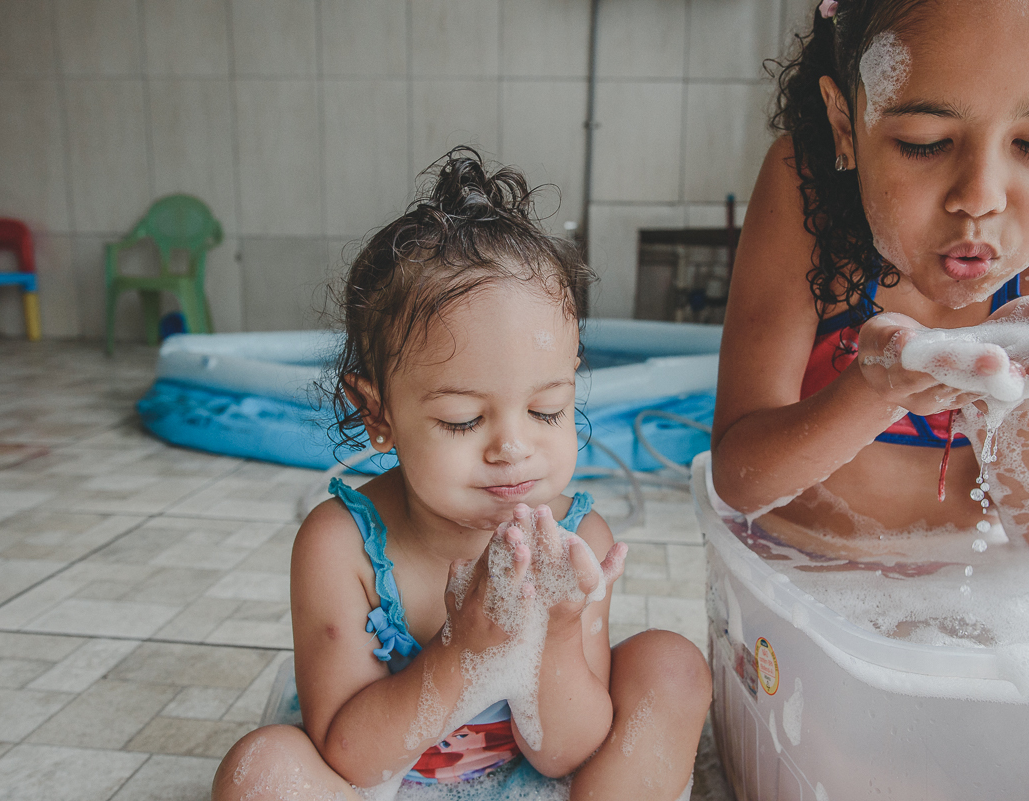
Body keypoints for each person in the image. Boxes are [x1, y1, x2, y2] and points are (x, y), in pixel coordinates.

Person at [212, 149, 710, 800]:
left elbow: (565, 750)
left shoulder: (574, 536)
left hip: (536, 784)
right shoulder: (342, 546)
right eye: (461, 420)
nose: (513, 446)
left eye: (546, 409)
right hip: (388, 782)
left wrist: (555, 634)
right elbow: (350, 756)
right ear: (378, 413)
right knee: (261, 769)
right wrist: (462, 652)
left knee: (670, 665)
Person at [712, 0, 1029, 553]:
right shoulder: (806, 185)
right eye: (925, 142)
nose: (980, 197)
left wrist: (1013, 403)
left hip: (985, 603)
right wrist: (875, 391)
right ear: (846, 123)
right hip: (806, 576)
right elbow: (742, 484)